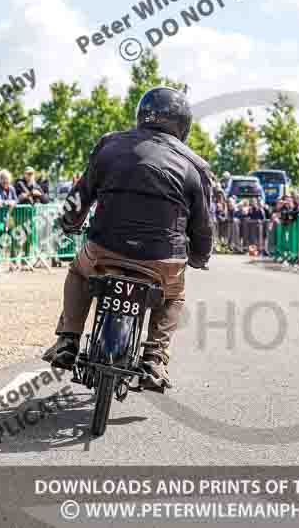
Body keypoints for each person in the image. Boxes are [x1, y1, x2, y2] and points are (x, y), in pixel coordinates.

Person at [42, 86, 213, 391]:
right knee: (174, 294)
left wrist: (70, 222)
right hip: (163, 259)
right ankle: (154, 358)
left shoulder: (110, 145)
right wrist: (199, 257)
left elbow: (81, 195)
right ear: (183, 125)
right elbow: (202, 225)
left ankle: (68, 339)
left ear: (141, 115)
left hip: (105, 247)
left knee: (78, 271)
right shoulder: (195, 165)